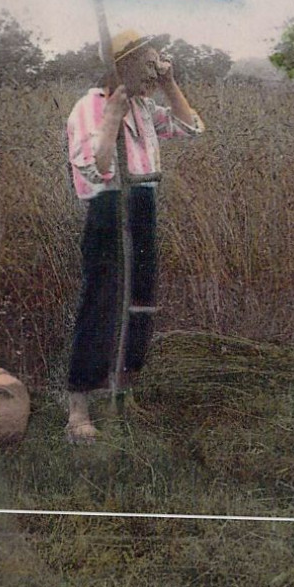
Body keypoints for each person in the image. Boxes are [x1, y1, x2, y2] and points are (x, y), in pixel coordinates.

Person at [65, 30, 205, 442]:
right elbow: (95, 168)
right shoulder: (90, 107)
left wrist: (170, 83)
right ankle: (79, 408)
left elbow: (191, 127)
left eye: (159, 62)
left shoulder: (145, 107)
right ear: (120, 66)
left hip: (143, 204)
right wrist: (111, 119)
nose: (156, 69)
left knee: (141, 301)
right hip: (108, 210)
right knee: (102, 301)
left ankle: (123, 393)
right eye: (149, 63)